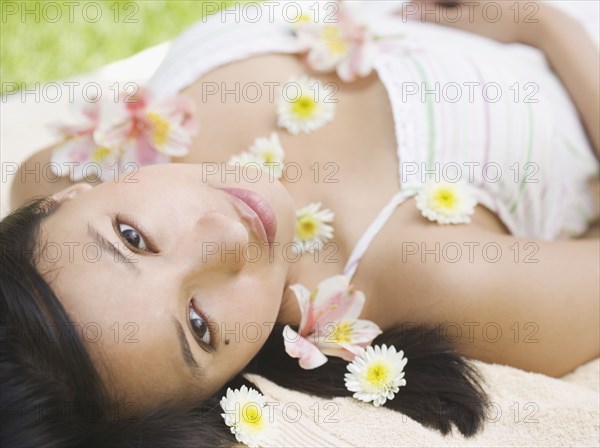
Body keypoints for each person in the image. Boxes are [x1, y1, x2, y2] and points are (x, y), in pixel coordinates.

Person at [2, 1, 598, 446]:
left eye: (134, 238)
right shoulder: (436, 276)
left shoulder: (58, 180)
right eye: (199, 325)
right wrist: (543, 26)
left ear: (70, 198)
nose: (226, 237)